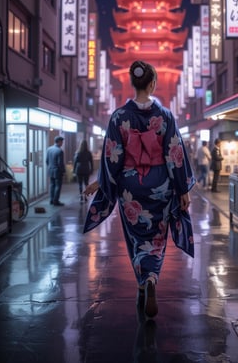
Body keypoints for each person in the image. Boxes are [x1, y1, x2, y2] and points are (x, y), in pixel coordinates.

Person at [83, 60, 195, 319]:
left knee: (136, 238)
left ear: (132, 85)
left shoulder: (119, 117)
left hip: (130, 188)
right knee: (156, 238)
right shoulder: (165, 116)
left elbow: (113, 157)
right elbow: (175, 155)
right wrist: (183, 190)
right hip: (161, 186)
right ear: (153, 84)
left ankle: (142, 282)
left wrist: (99, 182)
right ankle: (152, 278)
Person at [46, 136, 66, 206]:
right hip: (57, 171)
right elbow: (60, 163)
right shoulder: (59, 151)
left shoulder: (49, 149)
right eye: (62, 142)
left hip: (50, 170)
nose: (62, 143)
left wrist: (50, 167)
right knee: (58, 186)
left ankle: (51, 200)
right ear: (59, 142)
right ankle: (56, 201)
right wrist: (63, 171)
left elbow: (47, 161)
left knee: (52, 185)